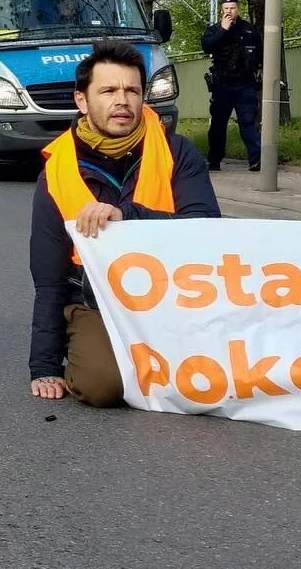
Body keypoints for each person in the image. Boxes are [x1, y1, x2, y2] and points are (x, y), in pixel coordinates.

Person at [29, 40, 221, 407]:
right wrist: (44, 366)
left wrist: (127, 217)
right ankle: (87, 345)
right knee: (103, 386)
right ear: (82, 101)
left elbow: (206, 227)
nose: (123, 100)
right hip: (95, 301)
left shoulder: (177, 151)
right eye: (108, 90)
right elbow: (49, 276)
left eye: (132, 90)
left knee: (213, 379)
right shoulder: (56, 170)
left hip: (176, 297)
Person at [200, 0, 262, 172]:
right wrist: (223, 30)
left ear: (238, 9)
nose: (229, 11)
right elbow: (207, 47)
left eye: (232, 8)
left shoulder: (249, 30)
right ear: (222, 10)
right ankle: (214, 160)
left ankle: (256, 160)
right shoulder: (215, 29)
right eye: (226, 9)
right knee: (218, 124)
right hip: (222, 85)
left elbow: (260, 53)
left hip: (245, 84)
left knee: (248, 122)